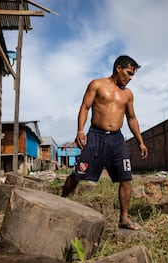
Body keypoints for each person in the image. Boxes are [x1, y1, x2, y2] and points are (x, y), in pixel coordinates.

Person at [61, 55, 148, 230]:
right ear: (118, 68)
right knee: (78, 174)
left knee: (126, 179)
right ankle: (59, 201)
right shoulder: (97, 85)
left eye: (132, 75)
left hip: (117, 139)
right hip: (95, 137)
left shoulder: (128, 94)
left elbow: (131, 118)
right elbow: (85, 107)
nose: (130, 78)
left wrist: (141, 141)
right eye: (128, 73)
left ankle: (124, 219)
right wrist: (80, 130)